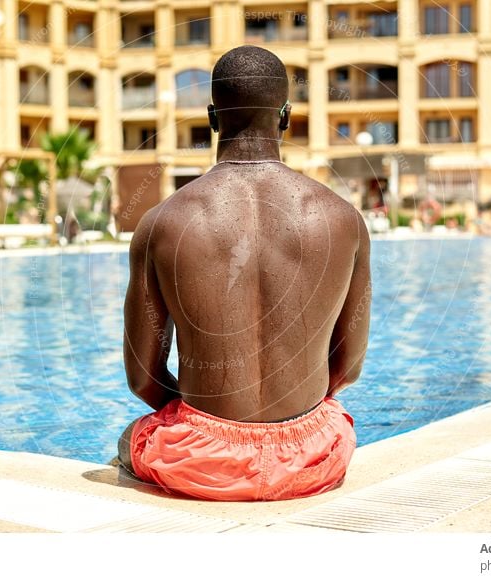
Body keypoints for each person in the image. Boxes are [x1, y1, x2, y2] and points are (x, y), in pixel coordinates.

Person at [116, 46, 371, 501]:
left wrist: (211, 423)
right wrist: (290, 417)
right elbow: (348, 368)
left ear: (213, 117)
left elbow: (143, 380)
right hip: (311, 455)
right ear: (286, 116)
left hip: (201, 462)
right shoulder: (343, 219)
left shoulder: (162, 223)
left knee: (129, 438)